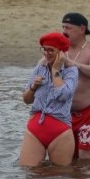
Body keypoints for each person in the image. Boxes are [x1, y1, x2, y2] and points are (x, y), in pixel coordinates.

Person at [20, 32, 78, 167]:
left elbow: (63, 95)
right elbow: (26, 100)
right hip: (35, 128)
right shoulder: (39, 68)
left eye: (51, 50)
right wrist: (33, 87)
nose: (46, 53)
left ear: (61, 52)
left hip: (60, 131)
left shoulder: (71, 71)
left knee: (60, 177)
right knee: (28, 173)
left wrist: (56, 70)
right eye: (44, 49)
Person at [61, 13, 90, 159]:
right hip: (63, 113)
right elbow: (40, 66)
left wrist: (72, 64)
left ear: (82, 29)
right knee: (65, 158)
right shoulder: (61, 50)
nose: (64, 31)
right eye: (63, 27)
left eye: (68, 28)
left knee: (87, 158)